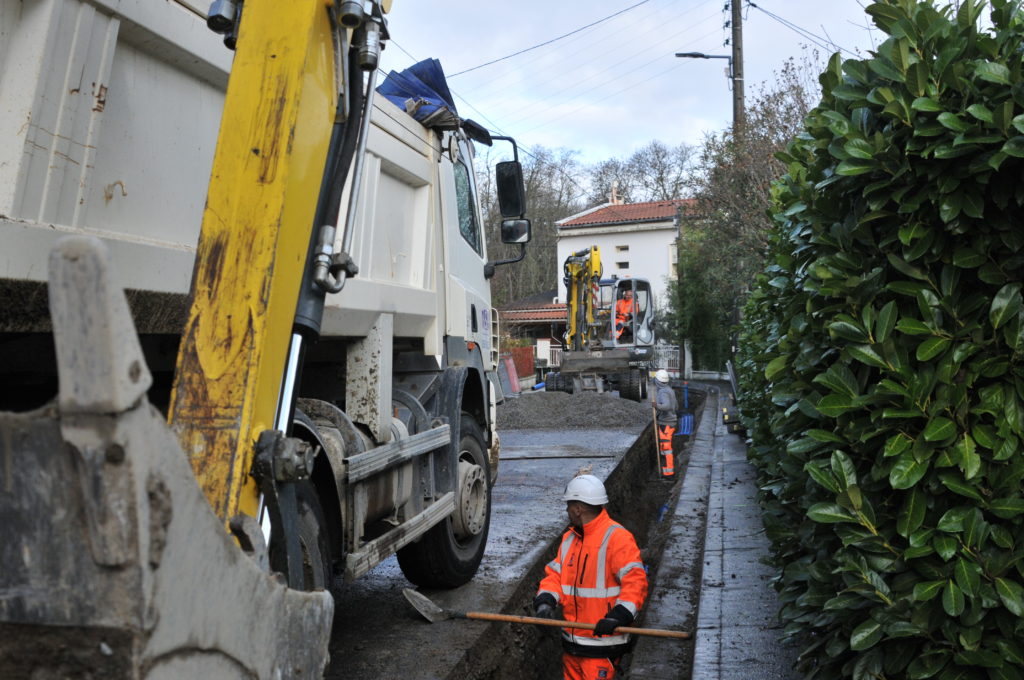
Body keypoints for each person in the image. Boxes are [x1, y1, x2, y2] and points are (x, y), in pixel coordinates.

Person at [533, 474, 648, 680]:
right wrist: (545, 602)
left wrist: (619, 615)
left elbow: (636, 582)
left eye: (569, 505)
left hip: (603, 646)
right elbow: (555, 576)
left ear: (578, 509)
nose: (567, 510)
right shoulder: (569, 539)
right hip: (572, 645)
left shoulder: (617, 538)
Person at [653, 369, 678, 477]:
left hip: (666, 424)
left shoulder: (663, 391)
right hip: (670, 422)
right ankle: (665, 469)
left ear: (657, 381)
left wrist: (656, 405)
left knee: (667, 449)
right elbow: (676, 406)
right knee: (665, 448)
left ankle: (669, 473)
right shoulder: (669, 389)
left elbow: (666, 406)